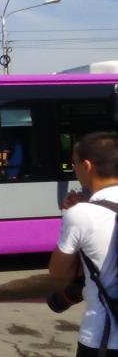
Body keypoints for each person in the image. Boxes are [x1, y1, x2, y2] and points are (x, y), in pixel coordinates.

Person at [49, 132, 118, 356]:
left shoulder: (81, 215)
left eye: (74, 164)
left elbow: (58, 273)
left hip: (103, 337)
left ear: (87, 166)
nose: (74, 170)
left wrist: (72, 213)